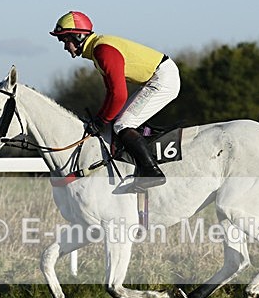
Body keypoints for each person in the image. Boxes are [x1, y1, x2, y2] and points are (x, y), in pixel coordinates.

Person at [50, 10, 180, 190]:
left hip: (163, 78)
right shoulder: (98, 51)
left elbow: (119, 95)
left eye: (65, 40)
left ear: (78, 36)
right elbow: (111, 93)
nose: (65, 46)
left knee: (122, 124)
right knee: (117, 122)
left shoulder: (102, 50)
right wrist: (99, 119)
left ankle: (151, 172)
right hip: (156, 77)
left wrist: (101, 120)